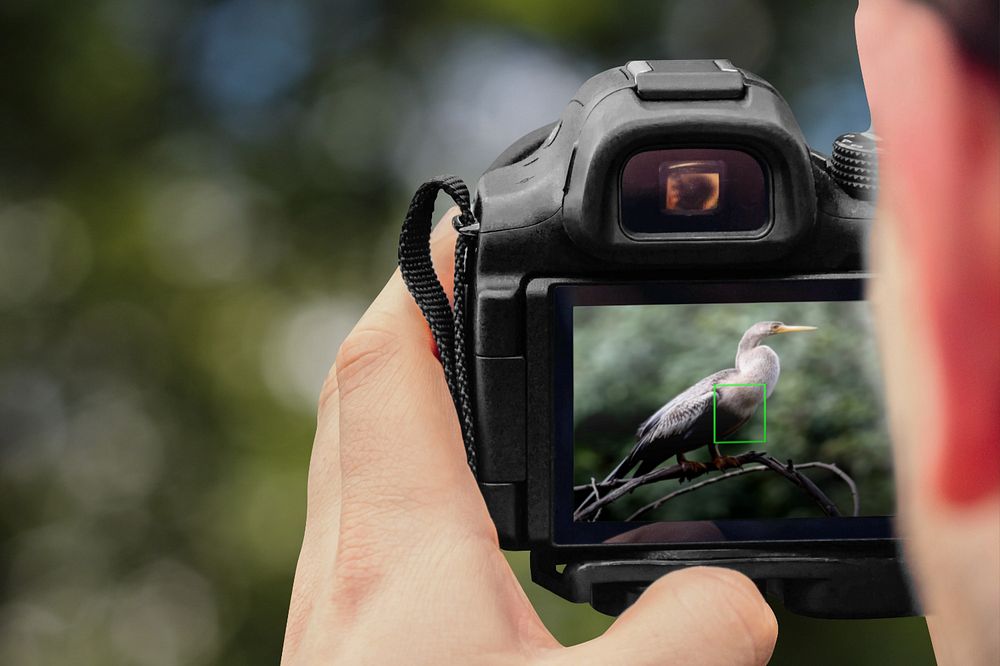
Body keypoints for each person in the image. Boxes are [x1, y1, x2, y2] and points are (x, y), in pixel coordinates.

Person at [280, 0, 999, 663]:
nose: (779, 332)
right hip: (665, 456)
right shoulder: (730, 382)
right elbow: (678, 430)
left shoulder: (749, 381)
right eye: (772, 324)